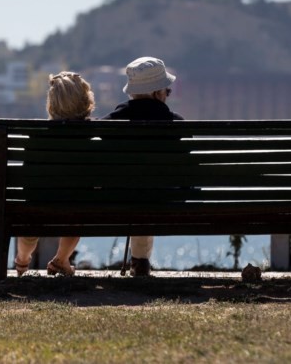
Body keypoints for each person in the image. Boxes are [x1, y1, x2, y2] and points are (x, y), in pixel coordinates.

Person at [100, 56, 183, 276]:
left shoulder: (109, 124)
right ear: (158, 93)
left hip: (115, 198)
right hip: (166, 199)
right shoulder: (177, 125)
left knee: (137, 190)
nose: (168, 95)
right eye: (168, 91)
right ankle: (141, 261)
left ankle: (139, 261)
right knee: (150, 190)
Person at [13, 71, 95, 277]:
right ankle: (61, 259)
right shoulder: (93, 138)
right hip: (77, 207)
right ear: (86, 101)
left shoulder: (36, 137)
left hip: (38, 204)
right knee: (77, 213)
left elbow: (27, 179)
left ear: (52, 103)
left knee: (30, 220)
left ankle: (22, 261)